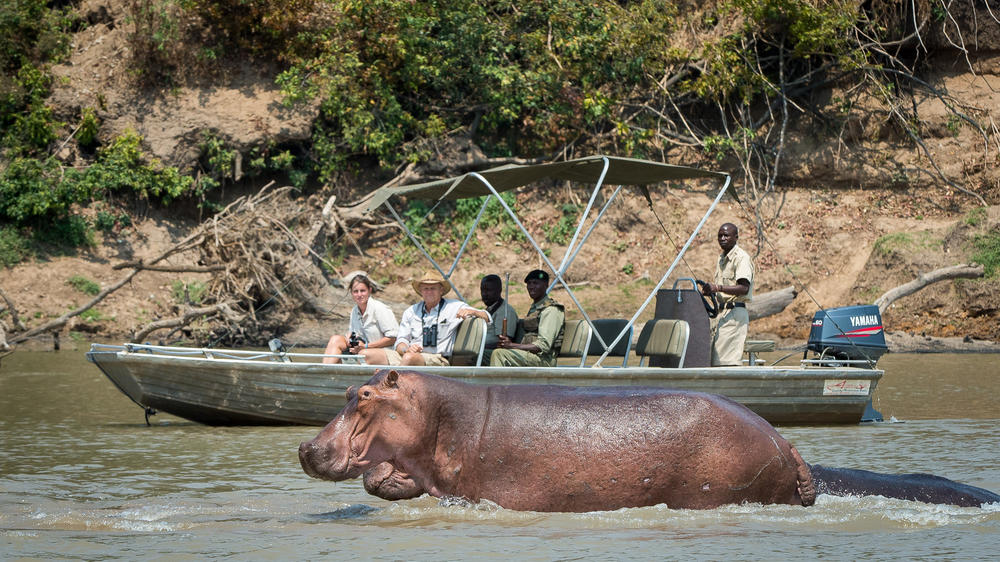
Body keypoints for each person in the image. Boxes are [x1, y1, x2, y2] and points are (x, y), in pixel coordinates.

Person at [380, 270, 479, 366]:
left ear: (441, 290)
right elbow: (401, 341)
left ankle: (393, 381)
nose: (429, 292)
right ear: (421, 291)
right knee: (368, 355)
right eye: (426, 289)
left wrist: (472, 311)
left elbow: (487, 316)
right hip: (410, 355)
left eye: (433, 288)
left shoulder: (454, 306)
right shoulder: (411, 311)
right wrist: (407, 349)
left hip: (438, 359)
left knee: (409, 358)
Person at [701, 222, 754, 366]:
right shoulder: (722, 258)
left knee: (726, 361)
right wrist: (710, 291)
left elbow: (744, 288)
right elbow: (722, 288)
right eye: (720, 236)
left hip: (735, 314)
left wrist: (718, 287)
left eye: (726, 235)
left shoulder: (741, 258)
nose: (722, 238)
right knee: (715, 359)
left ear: (736, 237)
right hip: (721, 313)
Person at [490, 269, 565, 367]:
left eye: (535, 283)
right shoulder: (535, 309)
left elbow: (543, 346)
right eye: (529, 283)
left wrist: (512, 345)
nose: (531, 287)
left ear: (546, 285)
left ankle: (497, 382)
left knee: (499, 354)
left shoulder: (551, 310)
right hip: (529, 356)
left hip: (544, 360)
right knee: (482, 355)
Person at [323, 274, 399, 364]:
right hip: (361, 351)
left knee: (364, 354)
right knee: (335, 339)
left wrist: (366, 346)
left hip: (386, 353)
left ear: (369, 290)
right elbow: (355, 335)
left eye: (362, 291)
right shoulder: (354, 311)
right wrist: (350, 338)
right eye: (355, 291)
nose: (359, 295)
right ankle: (324, 372)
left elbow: (393, 338)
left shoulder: (380, 309)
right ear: (351, 293)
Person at [459, 274, 518, 362]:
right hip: (482, 349)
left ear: (499, 291)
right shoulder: (488, 310)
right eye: (482, 290)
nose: (484, 294)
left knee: (467, 357)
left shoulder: (505, 311)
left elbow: (502, 343)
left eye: (489, 290)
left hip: (495, 354)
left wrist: (477, 346)